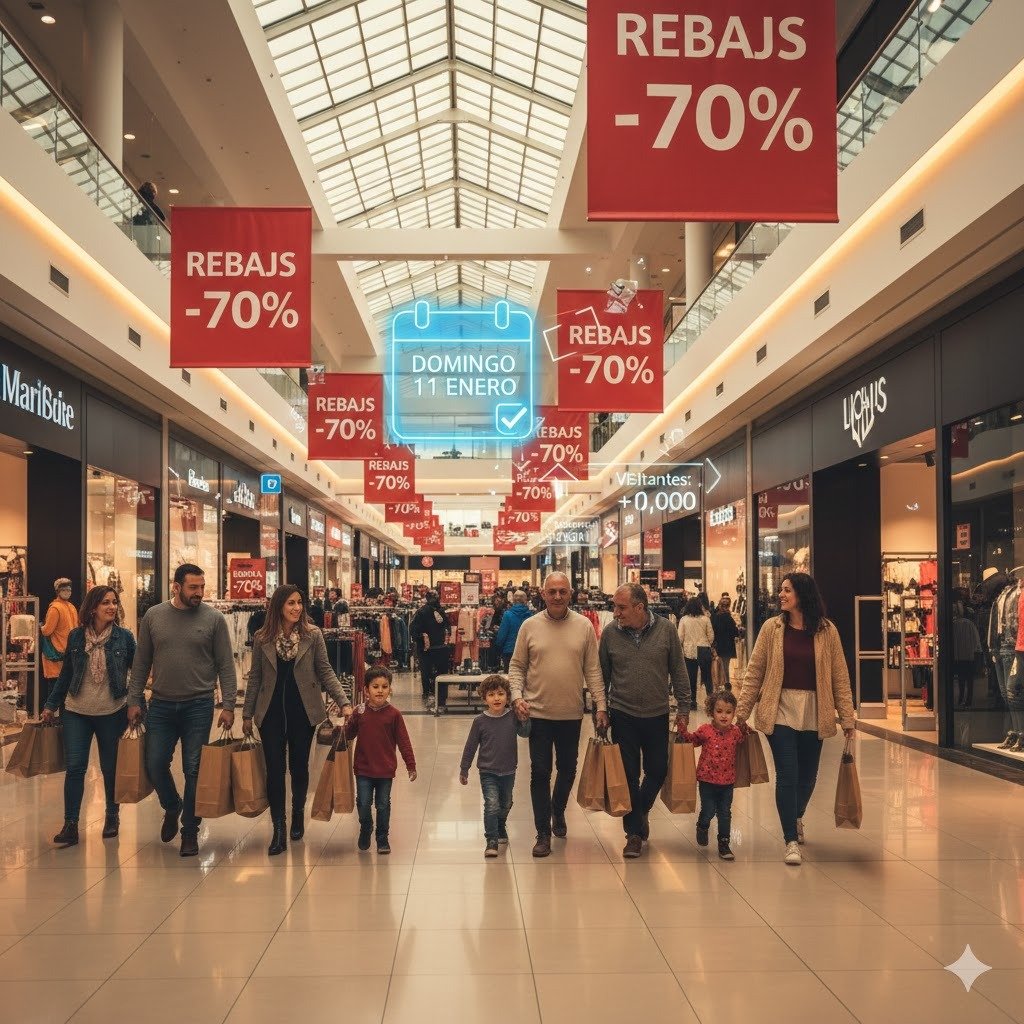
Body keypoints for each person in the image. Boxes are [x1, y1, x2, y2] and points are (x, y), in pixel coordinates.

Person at [736, 572, 856, 865]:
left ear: (802, 594)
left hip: (815, 710)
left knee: (808, 777)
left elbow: (840, 676)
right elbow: (755, 671)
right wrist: (742, 712)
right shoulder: (772, 629)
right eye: (781, 590)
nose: (781, 594)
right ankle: (790, 838)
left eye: (786, 590)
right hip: (780, 710)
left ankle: (796, 815)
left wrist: (848, 717)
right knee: (787, 775)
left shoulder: (827, 631)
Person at [127, 563, 236, 857]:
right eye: (193, 588)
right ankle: (172, 805)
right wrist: (134, 699)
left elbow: (226, 663)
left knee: (194, 769)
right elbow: (141, 662)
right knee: (155, 763)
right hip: (160, 704)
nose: (199, 593)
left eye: (202, 587)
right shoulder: (154, 616)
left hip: (199, 705)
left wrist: (228, 704)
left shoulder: (213, 619)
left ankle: (190, 830)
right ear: (176, 587)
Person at [242, 585, 353, 856]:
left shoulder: (312, 635)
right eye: (291, 603)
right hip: (269, 713)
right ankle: (278, 827)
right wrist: (246, 713)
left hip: (303, 711)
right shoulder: (262, 637)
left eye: (299, 603)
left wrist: (344, 702)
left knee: (299, 768)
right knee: (275, 770)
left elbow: (325, 671)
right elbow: (255, 677)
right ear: (279, 606)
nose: (296, 608)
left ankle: (298, 813)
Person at [509, 572, 608, 858]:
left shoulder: (584, 626)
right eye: (552, 591)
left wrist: (601, 705)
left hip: (571, 714)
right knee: (540, 772)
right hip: (537, 713)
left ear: (571, 593)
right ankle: (542, 833)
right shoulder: (529, 626)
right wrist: (517, 697)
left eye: (562, 592)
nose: (557, 597)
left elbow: (593, 669)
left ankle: (558, 810)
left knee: (567, 769)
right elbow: (517, 666)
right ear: (542, 593)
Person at [600, 583, 691, 858]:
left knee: (658, 770)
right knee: (628, 775)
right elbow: (601, 675)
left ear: (640, 607)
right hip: (623, 713)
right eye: (615, 606)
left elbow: (678, 669)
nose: (615, 613)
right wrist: (600, 708)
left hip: (657, 713)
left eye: (621, 607)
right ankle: (634, 834)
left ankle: (641, 810)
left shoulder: (667, 630)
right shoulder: (609, 634)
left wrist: (684, 709)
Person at [41, 587, 134, 848]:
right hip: (76, 712)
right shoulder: (75, 637)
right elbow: (66, 675)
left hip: (112, 711)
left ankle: (112, 816)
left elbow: (136, 676)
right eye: (106, 602)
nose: (112, 607)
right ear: (92, 608)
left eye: (114, 602)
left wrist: (137, 706)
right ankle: (70, 824)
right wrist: (50, 704)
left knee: (110, 768)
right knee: (75, 768)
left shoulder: (124, 638)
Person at [344, 667, 416, 854]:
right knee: (363, 802)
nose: (380, 690)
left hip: (385, 770)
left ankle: (382, 837)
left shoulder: (394, 715)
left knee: (383, 804)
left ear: (390, 689)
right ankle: (366, 827)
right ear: (366, 690)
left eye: (385, 686)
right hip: (363, 769)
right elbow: (349, 734)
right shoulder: (360, 712)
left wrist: (411, 765)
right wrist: (347, 722)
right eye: (375, 686)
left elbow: (404, 742)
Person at [459, 675, 531, 857]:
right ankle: (491, 840)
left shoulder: (513, 716)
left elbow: (524, 734)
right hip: (487, 771)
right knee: (491, 804)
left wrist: (524, 719)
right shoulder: (480, 722)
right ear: (484, 699)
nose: (497, 698)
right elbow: (470, 746)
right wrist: (464, 768)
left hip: (509, 770)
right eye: (491, 695)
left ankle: (500, 825)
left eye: (500, 694)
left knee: (505, 803)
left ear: (508, 696)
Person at [680, 689, 744, 861]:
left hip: (728, 781)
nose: (724, 716)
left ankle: (724, 842)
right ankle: (702, 825)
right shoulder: (705, 730)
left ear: (734, 713)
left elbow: (745, 741)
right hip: (707, 780)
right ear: (711, 712)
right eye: (719, 711)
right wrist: (682, 730)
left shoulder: (736, 732)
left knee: (725, 812)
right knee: (708, 810)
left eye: (729, 712)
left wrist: (746, 727)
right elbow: (692, 741)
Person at [40, 578, 78, 705]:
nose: (67, 591)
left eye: (69, 589)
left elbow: (46, 631)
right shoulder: (70, 607)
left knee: (55, 690)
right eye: (64, 589)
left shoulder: (55, 608)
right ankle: (62, 720)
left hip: (57, 656)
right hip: (69, 654)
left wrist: (40, 627)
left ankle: (54, 720)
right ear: (58, 591)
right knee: (66, 692)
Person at [411, 591, 450, 708]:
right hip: (441, 649)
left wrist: (422, 638)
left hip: (426, 650)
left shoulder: (421, 612)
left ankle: (428, 694)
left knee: (426, 673)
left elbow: (413, 631)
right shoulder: (442, 612)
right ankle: (441, 697)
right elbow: (448, 628)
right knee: (441, 674)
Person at [678, 597, 715, 703]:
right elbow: (711, 636)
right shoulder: (706, 619)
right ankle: (710, 700)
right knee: (707, 677)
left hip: (689, 651)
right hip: (704, 649)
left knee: (691, 678)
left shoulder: (684, 620)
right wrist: (707, 643)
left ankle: (693, 701)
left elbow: (680, 637)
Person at [494, 590, 533, 672]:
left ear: (513, 601)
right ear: (525, 601)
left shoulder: (508, 615)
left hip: (509, 651)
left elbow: (502, 636)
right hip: (526, 652)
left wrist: (498, 648)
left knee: (510, 679)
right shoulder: (530, 616)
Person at [711, 594, 744, 688]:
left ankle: (718, 682)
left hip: (718, 644)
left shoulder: (714, 617)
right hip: (728, 645)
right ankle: (726, 682)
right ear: (728, 606)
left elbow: (712, 631)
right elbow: (735, 632)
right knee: (726, 664)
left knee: (717, 664)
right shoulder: (729, 618)